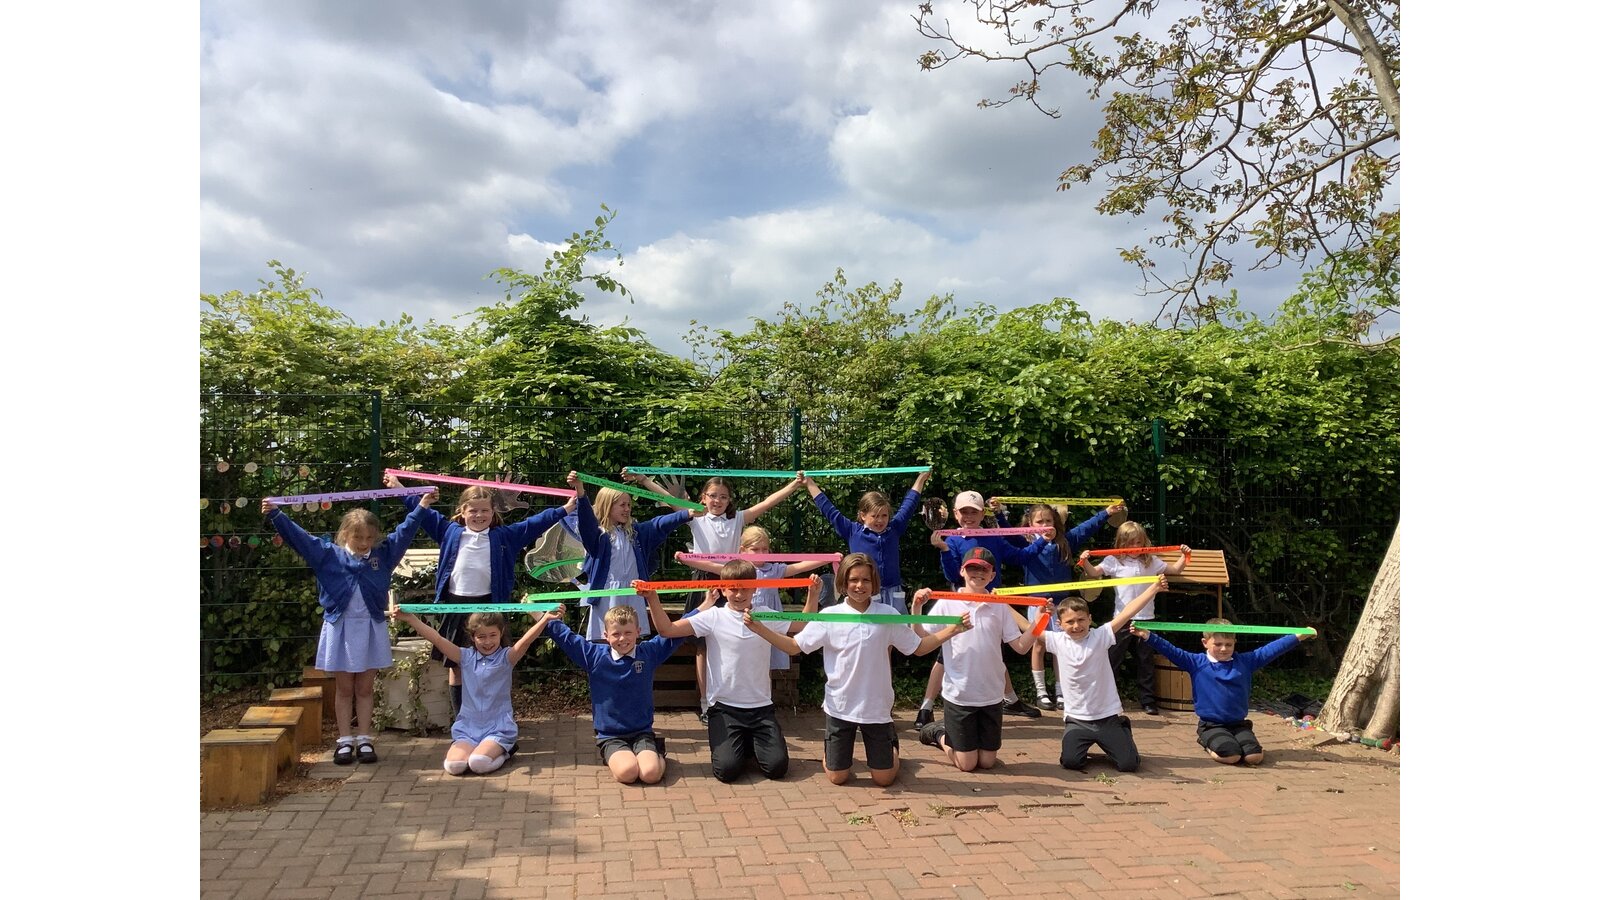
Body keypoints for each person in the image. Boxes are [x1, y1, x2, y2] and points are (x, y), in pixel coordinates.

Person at [744, 553, 969, 787]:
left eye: (866, 580)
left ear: (874, 583)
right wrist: (760, 629)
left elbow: (918, 648)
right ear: (843, 582)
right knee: (837, 777)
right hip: (839, 706)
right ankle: (834, 754)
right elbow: (794, 647)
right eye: (853, 580)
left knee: (884, 779)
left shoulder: (887, 615)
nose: (860, 585)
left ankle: (890, 746)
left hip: (876, 707)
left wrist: (953, 630)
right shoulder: (829, 616)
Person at [385, 471, 576, 715]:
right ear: (462, 512)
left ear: (493, 512)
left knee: (496, 667)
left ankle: (495, 718)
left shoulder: (504, 537)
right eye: (473, 510)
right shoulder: (449, 531)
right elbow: (420, 509)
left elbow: (534, 524)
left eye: (485, 510)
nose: (479, 515)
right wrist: (398, 486)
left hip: (490, 607)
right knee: (457, 666)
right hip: (455, 606)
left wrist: (566, 509)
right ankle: (462, 719)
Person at [261, 495, 429, 765]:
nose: (364, 543)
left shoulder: (383, 555)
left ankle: (364, 738)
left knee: (365, 688)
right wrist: (276, 514)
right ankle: (344, 740)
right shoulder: (328, 555)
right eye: (358, 537)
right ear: (345, 535)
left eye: (369, 538)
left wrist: (421, 507)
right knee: (344, 688)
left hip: (371, 627)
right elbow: (299, 538)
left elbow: (404, 532)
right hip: (341, 628)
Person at [626, 470, 803, 723]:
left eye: (723, 496)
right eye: (712, 495)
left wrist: (794, 485)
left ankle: (742, 699)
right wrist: (644, 480)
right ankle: (706, 704)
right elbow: (668, 499)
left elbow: (766, 503)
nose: (717, 501)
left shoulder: (738, 519)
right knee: (702, 645)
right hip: (703, 582)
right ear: (703, 498)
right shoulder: (695, 516)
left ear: (729, 500)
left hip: (731, 581)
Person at [645, 562, 822, 782]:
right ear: (723, 589)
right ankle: (740, 744)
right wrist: (652, 598)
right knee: (727, 771)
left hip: (760, 708)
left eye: (745, 588)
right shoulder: (713, 616)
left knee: (777, 768)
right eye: (733, 588)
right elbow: (667, 630)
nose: (739, 594)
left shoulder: (765, 614)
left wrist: (813, 595)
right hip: (724, 708)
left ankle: (749, 742)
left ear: (755, 588)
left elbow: (802, 625)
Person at [545, 597, 709, 784]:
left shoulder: (648, 653)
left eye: (628, 633)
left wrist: (705, 604)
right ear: (606, 635)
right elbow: (565, 637)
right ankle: (623, 758)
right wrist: (537, 613)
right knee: (629, 772)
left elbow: (678, 630)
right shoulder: (594, 656)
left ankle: (657, 753)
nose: (623, 639)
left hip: (642, 732)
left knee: (650, 774)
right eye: (616, 634)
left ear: (638, 632)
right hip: (611, 736)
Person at [390, 606, 563, 775]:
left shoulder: (507, 657)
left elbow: (525, 642)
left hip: (497, 728)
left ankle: (505, 751)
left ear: (501, 633)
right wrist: (410, 618)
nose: (487, 642)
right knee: (453, 766)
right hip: (468, 728)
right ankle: (480, 750)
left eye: (493, 635)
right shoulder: (464, 656)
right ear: (473, 637)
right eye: (481, 636)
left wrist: (545, 619)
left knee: (478, 763)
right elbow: (437, 639)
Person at [917, 490, 1040, 725]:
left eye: (974, 512)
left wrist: (1043, 540)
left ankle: (1010, 699)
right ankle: (927, 706)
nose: (969, 517)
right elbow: (952, 574)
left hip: (992, 604)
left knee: (992, 653)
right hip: (962, 605)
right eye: (964, 512)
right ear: (955, 514)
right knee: (945, 657)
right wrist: (944, 550)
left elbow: (1020, 556)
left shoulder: (994, 536)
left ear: (983, 514)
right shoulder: (952, 539)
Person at [910, 547, 1038, 772]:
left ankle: (963, 740)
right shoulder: (947, 603)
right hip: (960, 694)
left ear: (992, 575)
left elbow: (1020, 647)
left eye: (984, 570)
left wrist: (1041, 620)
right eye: (972, 569)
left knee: (987, 762)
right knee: (967, 764)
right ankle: (938, 733)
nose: (978, 574)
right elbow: (921, 637)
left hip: (991, 694)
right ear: (962, 571)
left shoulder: (999, 605)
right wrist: (916, 607)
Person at [1134, 619, 1316, 765]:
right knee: (1231, 756)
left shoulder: (1246, 661)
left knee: (1254, 757)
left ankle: (1237, 742)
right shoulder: (1195, 662)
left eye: (1228, 644)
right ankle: (1206, 741)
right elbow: (1170, 650)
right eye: (1218, 644)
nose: (1223, 649)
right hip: (1211, 724)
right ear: (1205, 643)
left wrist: (1299, 636)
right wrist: (1147, 635)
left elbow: (1271, 650)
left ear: (1235, 643)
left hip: (1238, 724)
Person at [1004, 501, 1124, 711]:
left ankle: (1061, 691)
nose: (1044, 525)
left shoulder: (1065, 541)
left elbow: (1086, 528)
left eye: (1048, 521)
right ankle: (1041, 692)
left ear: (1055, 522)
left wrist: (1106, 513)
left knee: (1062, 647)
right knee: (1038, 645)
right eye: (1039, 521)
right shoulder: (1025, 543)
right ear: (1030, 524)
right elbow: (1006, 533)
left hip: (1062, 605)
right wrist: (998, 514)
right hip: (1037, 602)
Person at [1044, 574, 1169, 773]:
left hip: (1107, 716)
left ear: (1090, 619)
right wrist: (1001, 602)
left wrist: (1153, 589)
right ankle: (1080, 741)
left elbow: (1128, 611)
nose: (1076, 626)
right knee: (1070, 762)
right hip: (1076, 718)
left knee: (1129, 765)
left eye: (1081, 620)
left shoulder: (1101, 635)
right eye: (1070, 622)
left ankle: (1122, 729)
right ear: (1059, 624)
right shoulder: (1056, 640)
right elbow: (1027, 629)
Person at [675, 524, 833, 675]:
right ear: (742, 550)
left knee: (765, 662)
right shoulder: (735, 571)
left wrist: (829, 558)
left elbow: (801, 566)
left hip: (767, 621)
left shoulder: (774, 570)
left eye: (764, 549)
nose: (761, 553)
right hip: (740, 621)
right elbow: (709, 565)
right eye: (755, 549)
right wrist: (685, 559)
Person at [567, 470, 701, 641]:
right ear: (607, 505)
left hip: (633, 593)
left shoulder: (636, 533)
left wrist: (686, 514)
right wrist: (580, 491)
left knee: (632, 639)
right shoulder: (598, 536)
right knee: (605, 639)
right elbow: (586, 522)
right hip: (607, 596)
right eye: (622, 505)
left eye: (629, 505)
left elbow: (659, 524)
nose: (627, 509)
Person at [1077, 521, 1190, 715]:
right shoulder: (1114, 560)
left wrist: (1184, 556)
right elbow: (1094, 573)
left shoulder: (1151, 560)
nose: (1135, 547)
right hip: (1121, 619)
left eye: (1139, 542)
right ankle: (1106, 698)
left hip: (1146, 618)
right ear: (1121, 543)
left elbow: (1175, 570)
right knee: (1113, 658)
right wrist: (1084, 560)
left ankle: (1148, 700)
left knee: (1146, 660)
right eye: (1130, 543)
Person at [802, 468, 932, 614]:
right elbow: (829, 510)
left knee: (898, 626)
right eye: (874, 516)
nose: (880, 520)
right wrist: (809, 483)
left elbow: (909, 504)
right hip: (865, 592)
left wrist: (921, 479)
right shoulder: (852, 531)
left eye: (884, 515)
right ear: (863, 515)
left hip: (893, 593)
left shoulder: (894, 529)